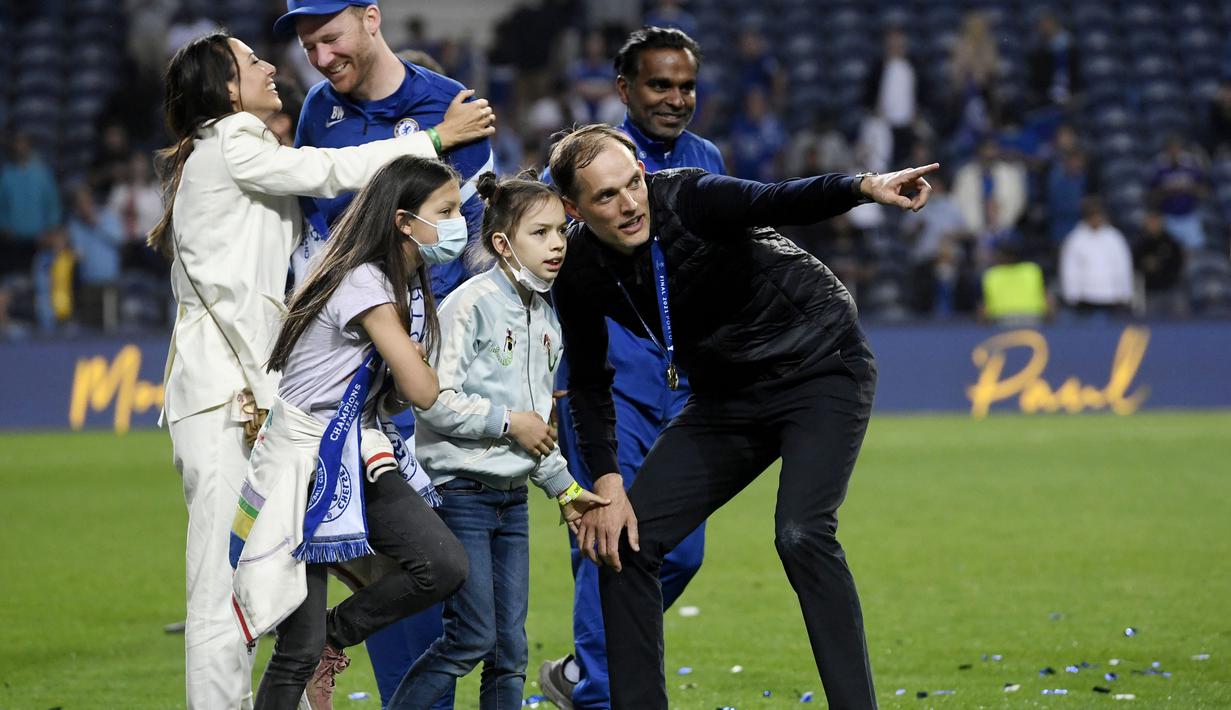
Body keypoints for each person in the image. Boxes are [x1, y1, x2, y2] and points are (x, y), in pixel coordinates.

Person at [151, 31, 491, 710]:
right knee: (223, 590)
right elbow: (325, 172)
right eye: (253, 63)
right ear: (223, 90)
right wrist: (428, 141)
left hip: (256, 394)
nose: (273, 67)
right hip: (224, 396)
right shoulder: (233, 138)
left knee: (290, 560)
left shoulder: (222, 152)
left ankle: (309, 675)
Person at [548, 124, 937, 709]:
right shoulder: (577, 267)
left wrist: (864, 186)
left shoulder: (689, 197)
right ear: (572, 208)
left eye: (634, 183)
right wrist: (607, 484)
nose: (630, 204)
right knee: (626, 540)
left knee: (802, 534)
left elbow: (780, 198)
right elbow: (586, 381)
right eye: (607, 196)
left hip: (819, 366)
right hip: (727, 397)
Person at [274, 1, 497, 703]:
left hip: (422, 366)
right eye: (308, 44)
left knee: (438, 576)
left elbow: (468, 236)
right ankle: (329, 660)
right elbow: (325, 238)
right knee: (391, 565)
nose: (319, 56)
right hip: (346, 381)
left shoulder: (449, 105)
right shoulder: (319, 109)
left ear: (371, 19)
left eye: (329, 36)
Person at [239, 156, 472, 709]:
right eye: (446, 210)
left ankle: (333, 636)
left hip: (355, 447)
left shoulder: (404, 280)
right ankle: (315, 642)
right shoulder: (365, 279)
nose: (459, 221)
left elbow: (389, 393)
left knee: (441, 564)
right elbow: (421, 390)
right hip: (304, 464)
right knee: (294, 646)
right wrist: (418, 368)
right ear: (404, 222)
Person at [538, 27, 726, 710]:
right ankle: (598, 694)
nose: (674, 99)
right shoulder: (580, 167)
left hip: (688, 384)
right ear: (624, 90)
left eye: (684, 86)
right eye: (658, 85)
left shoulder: (706, 157)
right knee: (612, 540)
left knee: (678, 551)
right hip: (609, 385)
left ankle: (583, 670)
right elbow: (535, 269)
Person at [389, 172, 608, 708]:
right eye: (541, 232)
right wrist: (509, 422)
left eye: (561, 230)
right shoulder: (469, 305)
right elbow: (433, 400)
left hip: (512, 502)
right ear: (502, 243)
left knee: (509, 652)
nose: (557, 243)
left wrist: (565, 489)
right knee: (471, 638)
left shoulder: (546, 318)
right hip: (461, 494)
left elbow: (537, 430)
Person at [1059, 198, 1134, 317]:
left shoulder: (1114, 238)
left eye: (1098, 215)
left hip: (1111, 296)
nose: (1096, 219)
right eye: (1092, 215)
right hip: (1085, 297)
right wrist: (1072, 295)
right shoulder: (1075, 239)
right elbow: (1070, 269)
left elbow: (1122, 266)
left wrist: (1125, 293)